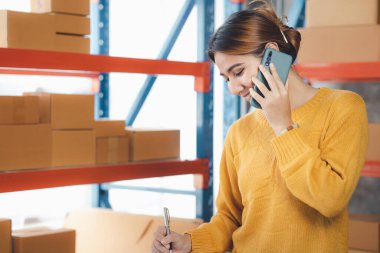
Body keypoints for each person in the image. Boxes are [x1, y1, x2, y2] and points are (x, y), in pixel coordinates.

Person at [152, 0, 369, 252]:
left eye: (238, 71)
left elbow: (331, 199)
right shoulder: (239, 132)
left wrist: (283, 127)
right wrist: (190, 242)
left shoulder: (343, 108)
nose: (233, 88)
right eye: (226, 79)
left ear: (271, 54)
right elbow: (230, 218)